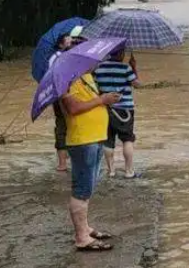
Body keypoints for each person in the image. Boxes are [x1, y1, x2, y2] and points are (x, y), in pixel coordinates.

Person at [59, 70, 122, 251]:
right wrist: (102, 100)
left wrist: (106, 100)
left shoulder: (86, 77)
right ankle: (82, 238)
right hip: (82, 140)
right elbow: (73, 108)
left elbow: (91, 102)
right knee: (81, 189)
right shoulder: (64, 79)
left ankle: (85, 228)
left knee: (88, 187)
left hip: (95, 137)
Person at [93, 49, 142, 178]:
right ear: (120, 53)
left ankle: (111, 171)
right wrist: (134, 67)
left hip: (105, 108)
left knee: (108, 140)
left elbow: (94, 87)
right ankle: (129, 171)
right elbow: (137, 85)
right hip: (125, 110)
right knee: (127, 139)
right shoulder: (126, 68)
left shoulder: (99, 68)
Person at [49, 30, 77, 171]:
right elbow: (55, 76)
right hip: (60, 96)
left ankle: (72, 158)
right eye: (68, 39)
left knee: (74, 123)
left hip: (72, 93)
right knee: (62, 126)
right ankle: (62, 163)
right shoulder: (56, 57)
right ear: (61, 44)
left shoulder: (72, 55)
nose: (70, 40)